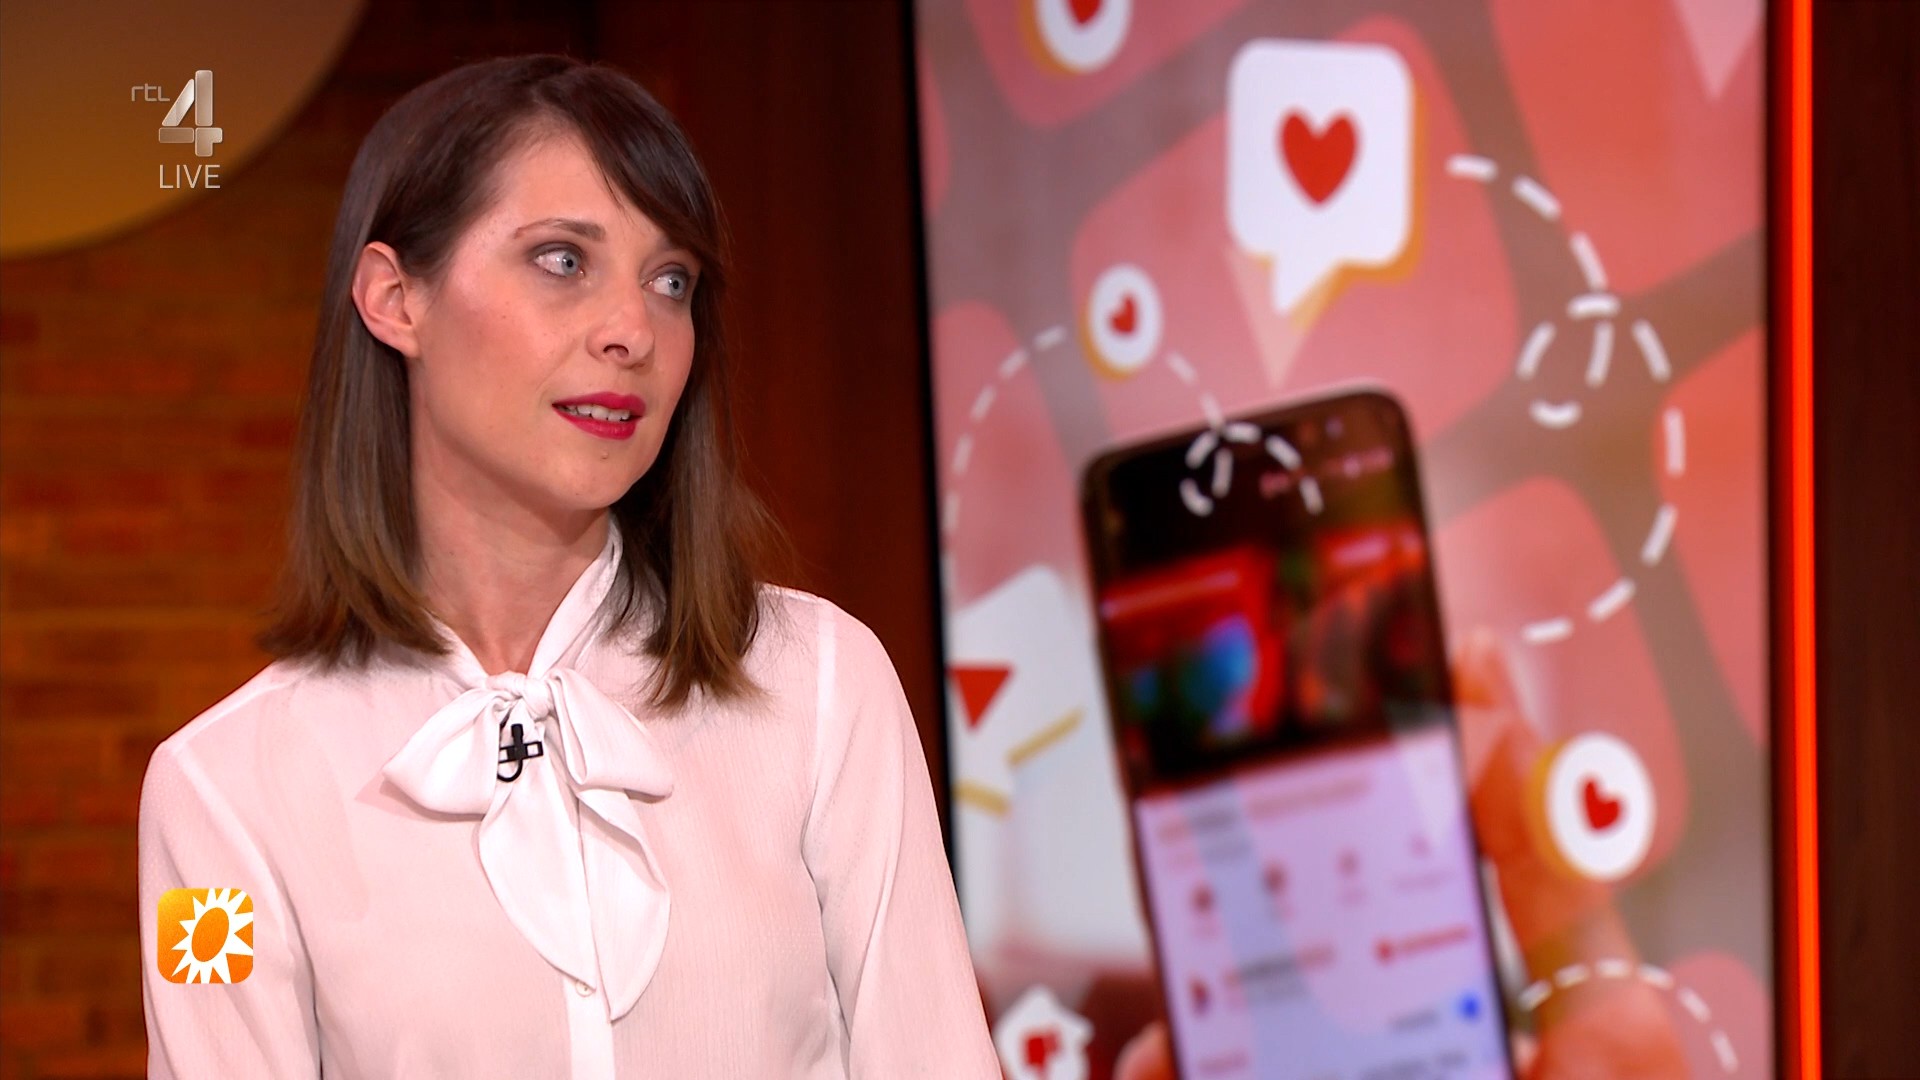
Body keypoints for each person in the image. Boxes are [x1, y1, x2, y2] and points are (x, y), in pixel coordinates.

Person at [137, 53, 998, 1079]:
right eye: (562, 260)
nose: (634, 331)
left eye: (671, 281)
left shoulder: (819, 685)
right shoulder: (221, 790)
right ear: (395, 299)